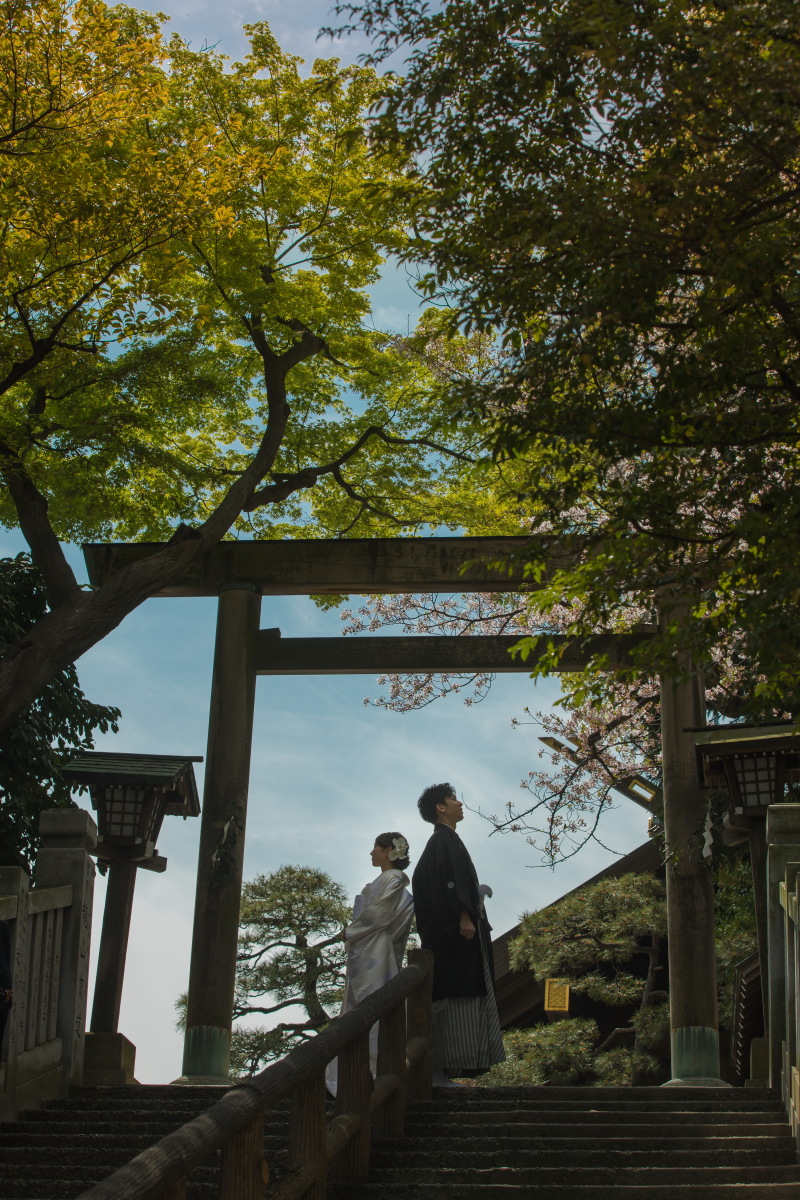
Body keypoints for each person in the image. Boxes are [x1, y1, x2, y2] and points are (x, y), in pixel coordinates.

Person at [411, 782, 504, 1086]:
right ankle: (437, 1069)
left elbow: (454, 882)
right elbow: (447, 883)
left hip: (456, 933)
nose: (459, 803)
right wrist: (464, 914)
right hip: (453, 935)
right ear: (440, 807)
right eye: (453, 799)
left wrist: (473, 898)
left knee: (458, 996)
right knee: (450, 998)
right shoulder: (442, 840)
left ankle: (445, 1069)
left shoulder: (448, 839)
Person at [325, 831, 414, 1097]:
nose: (372, 852)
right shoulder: (386, 879)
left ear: (388, 851)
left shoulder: (394, 878)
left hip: (376, 949)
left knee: (371, 1004)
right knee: (358, 1005)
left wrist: (352, 930)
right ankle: (353, 1070)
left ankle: (371, 1070)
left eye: (376, 847)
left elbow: (382, 913)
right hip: (368, 947)